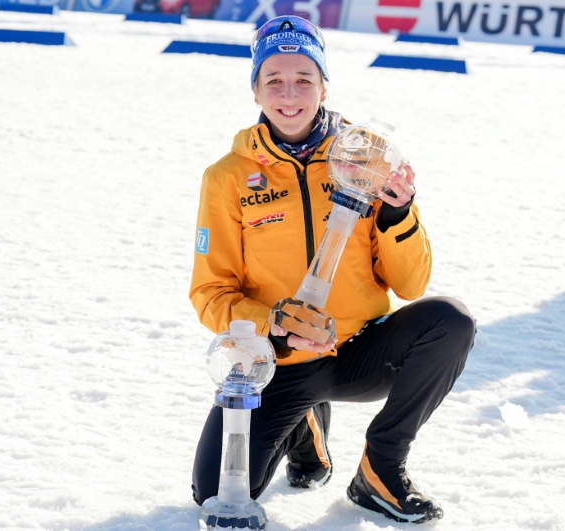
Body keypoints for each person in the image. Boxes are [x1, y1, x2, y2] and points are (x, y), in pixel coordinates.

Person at [189, 15, 476, 524]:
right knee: (214, 490)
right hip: (281, 360)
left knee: (450, 321)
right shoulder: (228, 177)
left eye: (304, 78)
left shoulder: (364, 157)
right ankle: (306, 429)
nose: (289, 93)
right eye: (273, 80)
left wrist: (396, 213)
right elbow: (211, 293)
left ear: (324, 84)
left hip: (362, 350)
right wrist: (273, 323)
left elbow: (412, 285)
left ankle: (380, 471)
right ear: (255, 89)